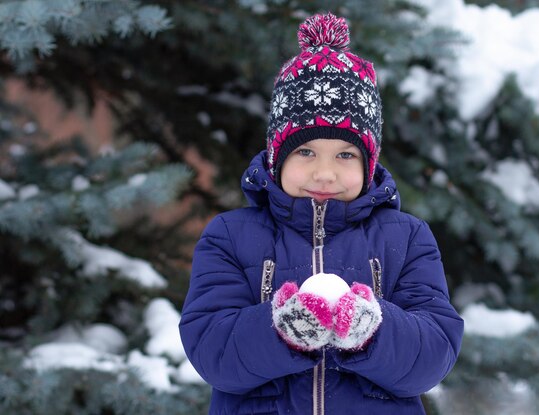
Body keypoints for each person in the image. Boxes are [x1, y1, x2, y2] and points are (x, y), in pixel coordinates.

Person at [179, 12, 464, 415]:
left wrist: (373, 331)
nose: (325, 173)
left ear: (369, 163)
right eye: (306, 152)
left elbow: (434, 353)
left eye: (346, 155)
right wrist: (282, 330)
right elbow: (212, 350)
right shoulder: (230, 236)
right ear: (278, 158)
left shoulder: (406, 238)